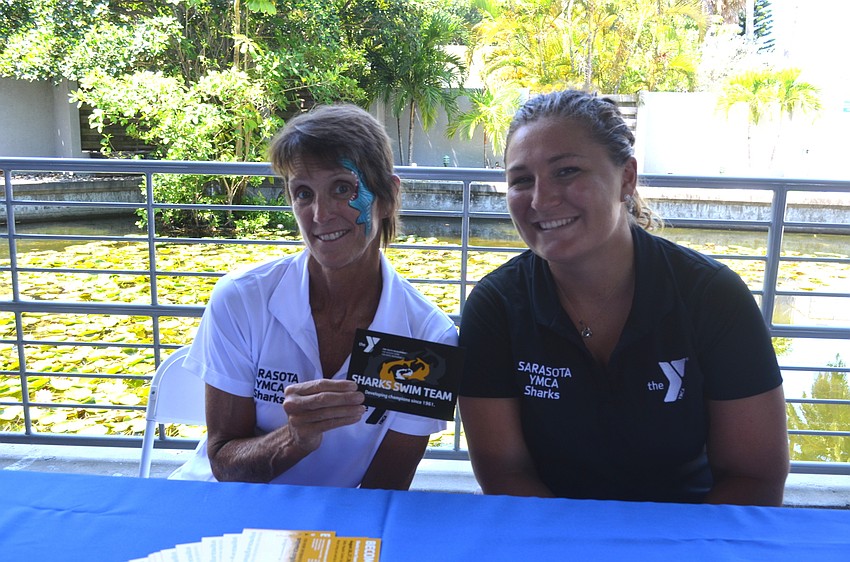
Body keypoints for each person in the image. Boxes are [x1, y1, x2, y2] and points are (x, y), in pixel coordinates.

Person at [457, 90, 789, 505]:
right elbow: (505, 473)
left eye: (567, 171)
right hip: (551, 535)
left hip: (688, 533)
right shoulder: (495, 308)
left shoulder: (712, 296)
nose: (541, 200)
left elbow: (753, 477)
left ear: (626, 179)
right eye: (522, 180)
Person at [170, 104, 457, 489]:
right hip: (222, 506)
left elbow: (384, 491)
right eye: (303, 193)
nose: (320, 214)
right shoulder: (241, 298)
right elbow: (223, 464)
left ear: (387, 196)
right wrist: (295, 438)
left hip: (331, 526)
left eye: (343, 188)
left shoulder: (428, 340)